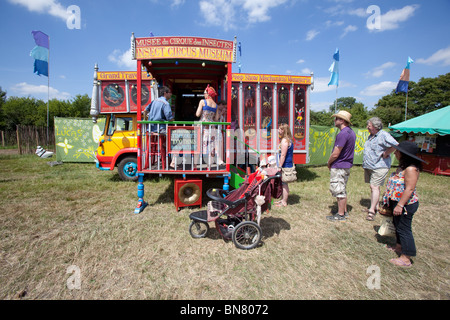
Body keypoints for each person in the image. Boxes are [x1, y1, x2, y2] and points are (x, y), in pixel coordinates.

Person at [382, 141, 426, 267]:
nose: (395, 153)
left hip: (405, 205)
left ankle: (406, 258)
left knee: (404, 229)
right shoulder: (403, 167)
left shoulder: (411, 169)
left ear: (404, 154)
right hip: (397, 202)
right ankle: (399, 247)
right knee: (398, 226)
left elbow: (409, 189)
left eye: (397, 151)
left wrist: (400, 205)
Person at [362, 117, 398, 221]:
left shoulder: (383, 135)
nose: (367, 127)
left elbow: (396, 144)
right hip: (370, 165)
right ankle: (376, 206)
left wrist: (386, 153)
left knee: (374, 186)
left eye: (369, 125)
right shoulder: (371, 136)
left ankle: (372, 211)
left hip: (380, 166)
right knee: (373, 187)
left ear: (375, 126)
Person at [326, 110, 356, 221]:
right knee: (342, 188)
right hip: (346, 165)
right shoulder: (351, 132)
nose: (334, 121)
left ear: (342, 120)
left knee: (339, 190)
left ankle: (340, 214)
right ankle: (344, 211)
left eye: (336, 119)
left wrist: (329, 162)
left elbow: (336, 153)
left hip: (339, 165)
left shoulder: (342, 134)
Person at [195, 85, 224, 167]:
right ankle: (209, 165)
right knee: (211, 146)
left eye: (204, 93)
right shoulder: (216, 105)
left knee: (198, 145)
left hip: (202, 127)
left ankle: (195, 165)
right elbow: (216, 119)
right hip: (212, 127)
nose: (204, 94)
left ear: (208, 94)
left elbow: (197, 114)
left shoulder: (202, 102)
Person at [275, 123, 296, 207]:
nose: (278, 131)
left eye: (280, 129)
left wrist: (280, 166)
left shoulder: (285, 141)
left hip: (285, 165)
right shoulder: (288, 140)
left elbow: (283, 155)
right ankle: (283, 200)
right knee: (283, 183)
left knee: (284, 184)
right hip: (287, 164)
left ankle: (284, 202)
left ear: (284, 130)